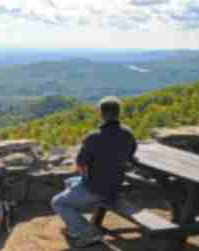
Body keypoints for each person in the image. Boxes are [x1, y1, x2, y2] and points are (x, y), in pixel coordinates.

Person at [51, 96, 137, 248]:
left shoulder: (93, 137)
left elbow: (80, 165)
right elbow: (130, 156)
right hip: (116, 185)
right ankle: (76, 225)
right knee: (69, 183)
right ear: (119, 113)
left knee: (58, 202)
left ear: (101, 114)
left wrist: (87, 172)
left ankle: (88, 232)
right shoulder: (128, 134)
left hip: (96, 189)